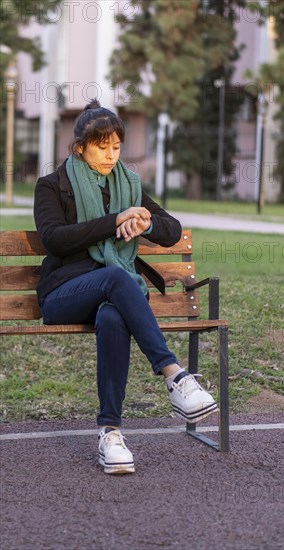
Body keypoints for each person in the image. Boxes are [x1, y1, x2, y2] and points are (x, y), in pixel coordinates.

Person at [34, 100, 218, 475]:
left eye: (116, 147)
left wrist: (145, 222)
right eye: (102, 147)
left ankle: (110, 433)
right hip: (62, 295)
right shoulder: (53, 186)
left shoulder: (129, 185)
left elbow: (172, 230)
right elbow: (54, 239)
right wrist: (113, 220)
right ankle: (174, 377)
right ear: (80, 147)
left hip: (112, 296)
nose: (110, 155)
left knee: (115, 317)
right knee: (117, 277)